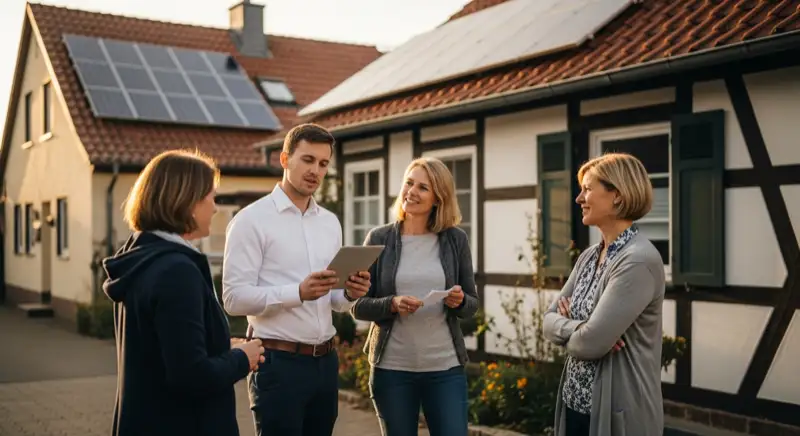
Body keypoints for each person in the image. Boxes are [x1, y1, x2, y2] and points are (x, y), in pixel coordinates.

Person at [222, 123, 372, 436]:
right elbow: (233, 299)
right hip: (277, 363)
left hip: (325, 364)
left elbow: (333, 301)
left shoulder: (330, 223)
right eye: (307, 160)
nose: (315, 170)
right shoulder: (250, 221)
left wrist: (350, 294)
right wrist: (297, 292)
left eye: (323, 163)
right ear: (284, 159)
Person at [101, 149, 265, 436]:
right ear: (187, 201)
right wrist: (242, 359)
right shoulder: (176, 271)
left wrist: (218, 345)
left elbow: (161, 347)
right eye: (211, 196)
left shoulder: (139, 257)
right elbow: (190, 376)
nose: (215, 207)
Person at [351, 157, 479, 436]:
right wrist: (391, 304)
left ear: (438, 198)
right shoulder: (379, 238)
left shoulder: (455, 240)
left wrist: (459, 301)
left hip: (445, 369)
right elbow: (357, 305)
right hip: (392, 370)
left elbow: (472, 304)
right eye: (409, 183)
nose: (411, 191)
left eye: (423, 187)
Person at [542, 152, 665, 436]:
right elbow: (547, 321)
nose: (579, 198)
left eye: (587, 189)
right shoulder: (589, 256)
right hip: (575, 406)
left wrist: (583, 335)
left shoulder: (637, 260)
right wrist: (581, 329)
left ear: (617, 197)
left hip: (617, 415)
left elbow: (589, 346)